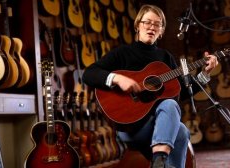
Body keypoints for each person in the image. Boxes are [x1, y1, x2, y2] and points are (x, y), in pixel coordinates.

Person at [82, 4, 218, 168]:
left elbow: (182, 91)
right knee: (172, 110)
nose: (152, 27)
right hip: (131, 126)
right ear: (138, 25)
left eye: (157, 24)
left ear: (161, 31)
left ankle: (159, 163)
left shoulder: (165, 57)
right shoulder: (122, 53)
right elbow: (89, 74)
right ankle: (159, 160)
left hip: (162, 125)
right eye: (147, 22)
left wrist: (205, 74)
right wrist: (117, 78)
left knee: (181, 130)